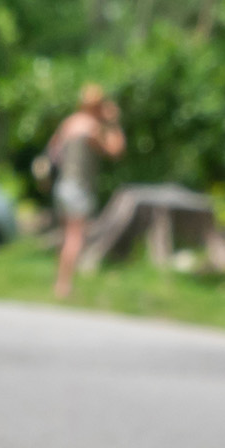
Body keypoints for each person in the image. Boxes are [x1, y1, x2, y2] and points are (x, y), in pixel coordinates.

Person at [47, 84, 126, 301]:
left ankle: (60, 281)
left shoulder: (69, 122)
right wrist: (113, 122)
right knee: (75, 237)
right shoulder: (91, 127)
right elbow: (115, 150)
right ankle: (64, 286)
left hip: (62, 185)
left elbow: (53, 151)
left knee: (65, 236)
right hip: (78, 188)